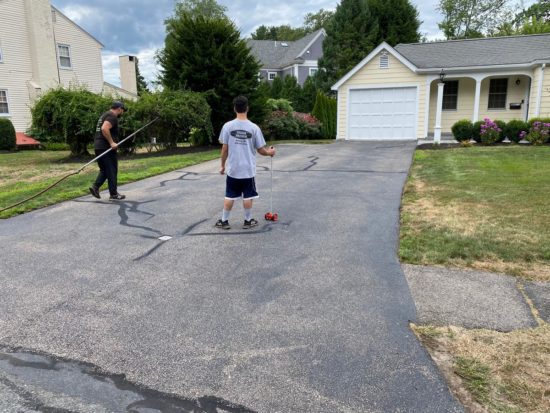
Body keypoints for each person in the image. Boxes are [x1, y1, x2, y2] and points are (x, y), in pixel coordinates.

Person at [216, 95, 275, 230]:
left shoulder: (227, 126)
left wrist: (222, 165)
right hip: (248, 170)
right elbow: (260, 150)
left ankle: (224, 221)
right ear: (247, 108)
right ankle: (248, 221)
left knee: (229, 195)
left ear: (235, 109)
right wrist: (270, 153)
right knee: (248, 195)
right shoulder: (254, 128)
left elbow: (225, 148)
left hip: (233, 170)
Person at [89, 101, 127, 200]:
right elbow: (104, 129)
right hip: (106, 148)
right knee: (112, 170)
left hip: (98, 147)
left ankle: (95, 187)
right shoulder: (112, 116)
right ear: (119, 109)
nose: (122, 113)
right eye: (122, 111)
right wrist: (111, 142)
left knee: (105, 170)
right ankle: (113, 194)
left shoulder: (104, 115)